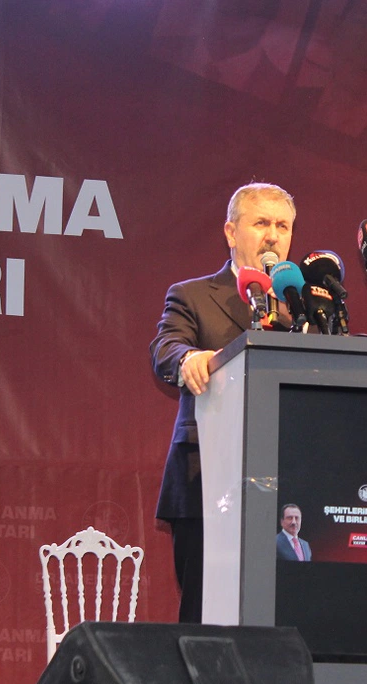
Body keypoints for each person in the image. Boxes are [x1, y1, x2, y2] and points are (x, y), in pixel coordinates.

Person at [150, 182, 296, 622]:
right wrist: (189, 358)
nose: (273, 235)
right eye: (261, 223)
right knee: (205, 616)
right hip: (206, 480)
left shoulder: (301, 305)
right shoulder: (193, 295)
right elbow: (166, 347)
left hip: (290, 481)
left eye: (283, 226)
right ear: (231, 232)